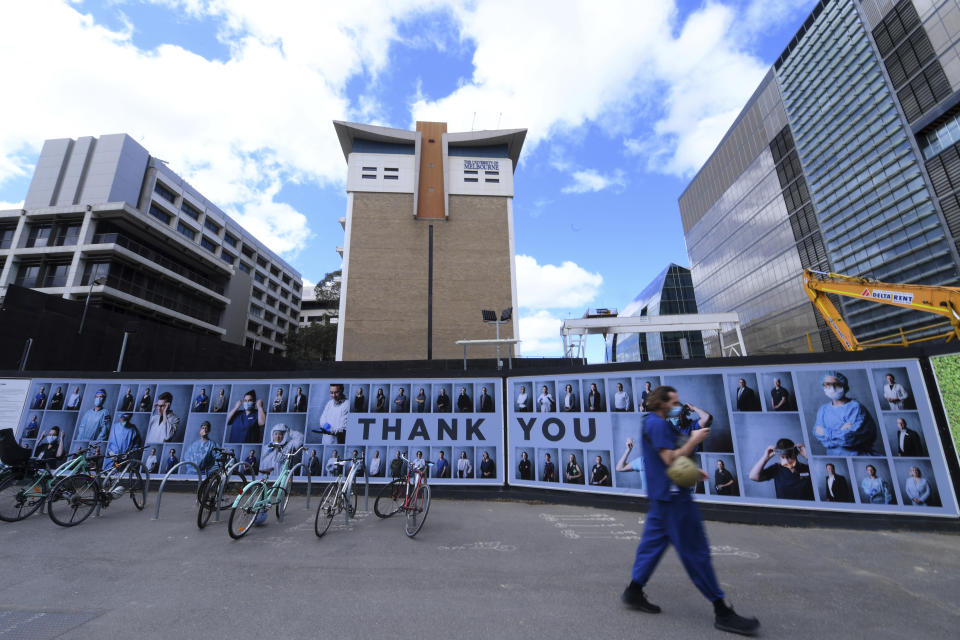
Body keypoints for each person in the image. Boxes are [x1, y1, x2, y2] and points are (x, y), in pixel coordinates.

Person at [621, 385, 759, 636]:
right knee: (696, 553)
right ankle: (722, 612)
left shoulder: (654, 423)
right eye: (673, 401)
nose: (678, 405)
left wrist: (692, 472)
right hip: (674, 500)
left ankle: (633, 591)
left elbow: (661, 459)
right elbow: (668, 458)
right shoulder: (658, 424)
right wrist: (694, 440)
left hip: (663, 496)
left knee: (651, 548)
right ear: (662, 403)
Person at [748, 438, 813, 501]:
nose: (787, 461)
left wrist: (808, 457)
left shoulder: (808, 468)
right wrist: (765, 458)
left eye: (789, 457)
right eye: (783, 458)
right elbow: (753, 476)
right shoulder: (776, 469)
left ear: (795, 454)